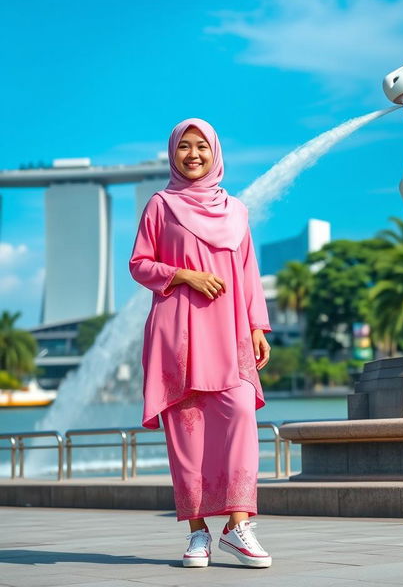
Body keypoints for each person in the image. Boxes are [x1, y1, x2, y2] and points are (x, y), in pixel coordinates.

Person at [129, 117, 273, 569]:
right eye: (184, 148)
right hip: (179, 333)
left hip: (230, 334)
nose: (193, 155)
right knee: (187, 433)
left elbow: (248, 273)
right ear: (172, 153)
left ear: (216, 154)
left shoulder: (237, 210)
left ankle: (238, 524)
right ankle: (198, 533)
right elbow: (139, 263)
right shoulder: (161, 205)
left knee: (239, 418)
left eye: (202, 148)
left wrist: (256, 328)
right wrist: (181, 275)